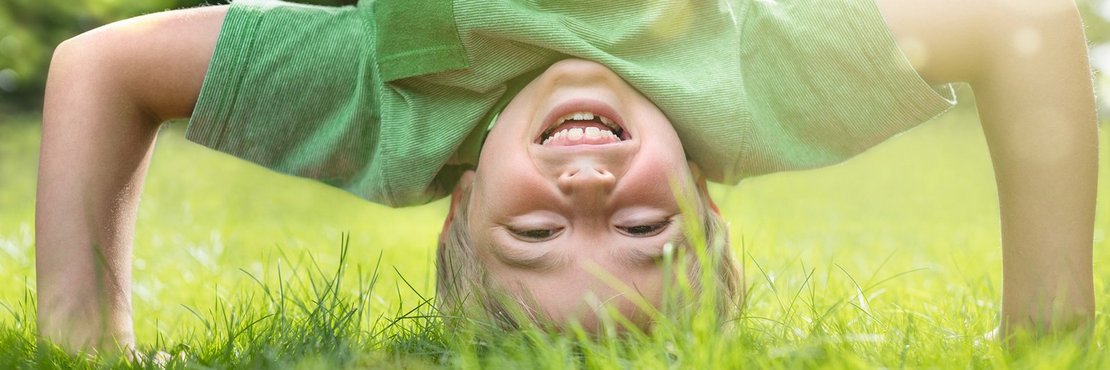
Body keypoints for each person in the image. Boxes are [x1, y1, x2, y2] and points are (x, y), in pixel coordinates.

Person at [36, 0, 1097, 353]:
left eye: (535, 239)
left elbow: (98, 66)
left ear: (459, 202)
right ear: (707, 202)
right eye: (648, 233)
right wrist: (1047, 331)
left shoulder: (389, 109)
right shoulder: (762, 92)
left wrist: (86, 345)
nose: (590, 199)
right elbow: (1023, 24)